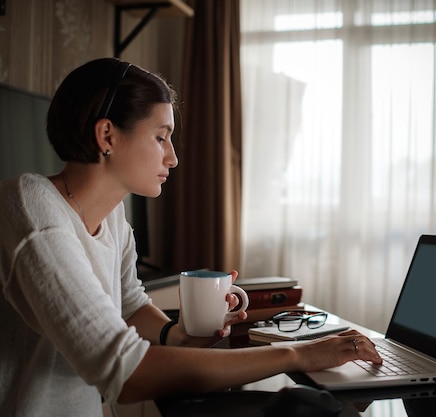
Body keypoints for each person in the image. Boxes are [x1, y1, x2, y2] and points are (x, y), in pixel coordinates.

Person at [0, 57, 382, 416]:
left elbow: (129, 306)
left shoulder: (112, 215)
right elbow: (125, 372)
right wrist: (298, 355)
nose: (173, 158)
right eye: (161, 137)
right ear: (107, 136)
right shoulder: (33, 209)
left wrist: (175, 335)